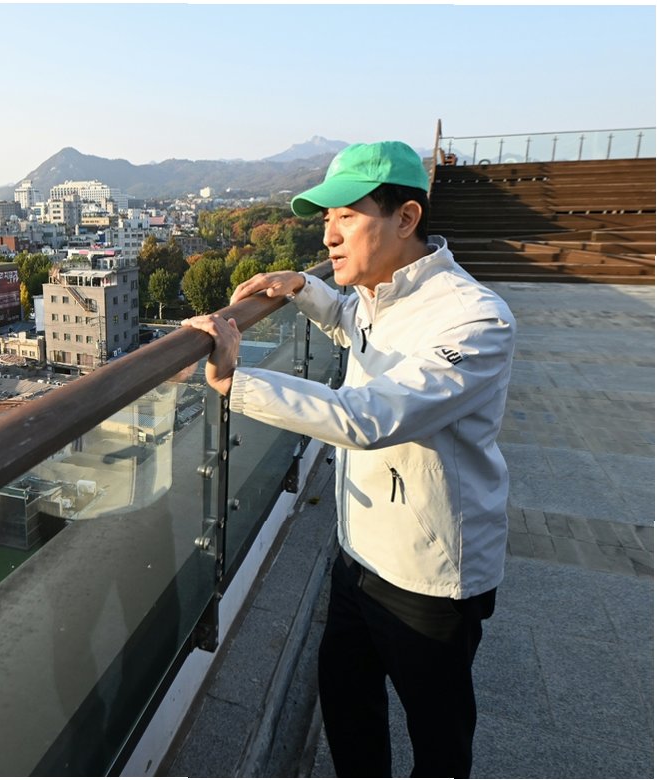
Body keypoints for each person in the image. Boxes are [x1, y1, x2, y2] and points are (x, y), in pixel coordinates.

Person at [183, 140, 515, 778]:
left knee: (439, 737)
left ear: (406, 218)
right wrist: (302, 286)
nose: (329, 235)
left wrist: (237, 381)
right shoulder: (376, 293)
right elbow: (352, 324)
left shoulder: (474, 321)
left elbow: (367, 418)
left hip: (430, 576)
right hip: (359, 550)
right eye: (326, 219)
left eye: (346, 216)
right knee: (346, 703)